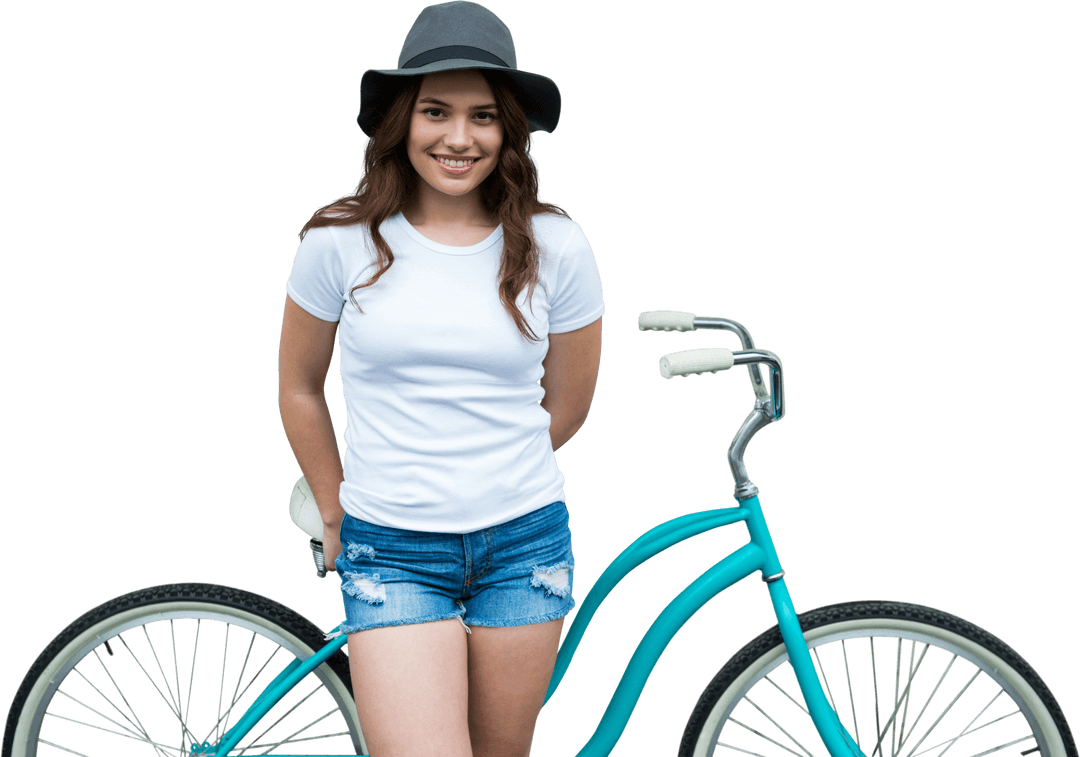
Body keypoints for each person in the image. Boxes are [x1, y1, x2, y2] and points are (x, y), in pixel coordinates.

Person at [277, 2, 604, 756]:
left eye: (483, 116)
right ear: (402, 121)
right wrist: (334, 513)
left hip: (524, 545)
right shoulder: (339, 238)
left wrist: (484, 465)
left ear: (508, 130)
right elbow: (299, 385)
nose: (459, 138)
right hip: (391, 548)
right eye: (436, 112)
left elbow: (571, 404)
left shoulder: (559, 245)